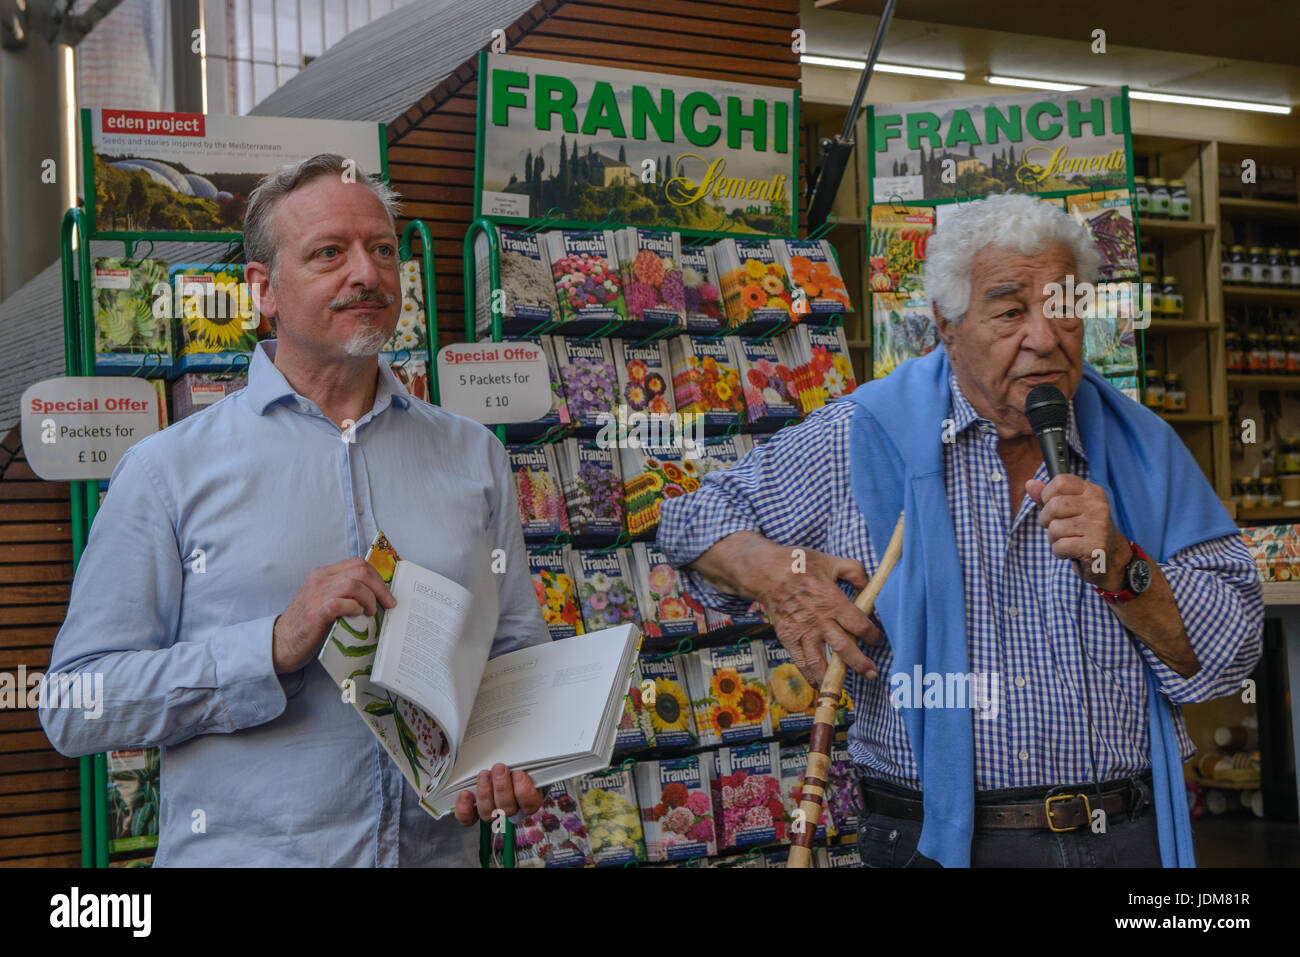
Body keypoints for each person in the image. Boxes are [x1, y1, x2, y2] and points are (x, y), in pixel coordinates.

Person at [657, 193, 1263, 868]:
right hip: (934, 844)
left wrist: (1123, 566)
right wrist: (778, 573)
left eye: (1063, 307)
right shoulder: (868, 433)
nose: (1044, 336)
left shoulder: (1144, 447)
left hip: (1121, 837)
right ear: (946, 323)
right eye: (1010, 311)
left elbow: (1231, 653)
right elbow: (689, 519)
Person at [40, 154, 548, 866]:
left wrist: (514, 751)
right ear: (263, 289)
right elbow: (73, 702)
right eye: (328, 254)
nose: (366, 273)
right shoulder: (168, 471)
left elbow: (516, 651)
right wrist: (271, 645)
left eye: (380, 249)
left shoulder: (473, 456)